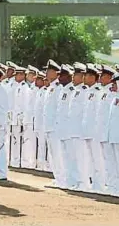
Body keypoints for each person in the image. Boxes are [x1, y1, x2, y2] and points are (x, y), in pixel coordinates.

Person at [94, 65, 119, 195]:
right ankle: (111, 185)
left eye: (102, 76)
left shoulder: (113, 93)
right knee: (107, 160)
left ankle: (117, 186)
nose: (100, 78)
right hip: (103, 132)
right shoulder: (104, 92)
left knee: (115, 161)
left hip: (112, 133)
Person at [81, 64, 105, 193]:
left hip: (95, 130)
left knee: (98, 158)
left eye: (88, 75)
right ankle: (93, 182)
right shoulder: (87, 91)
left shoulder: (98, 92)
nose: (85, 77)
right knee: (90, 158)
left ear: (94, 77)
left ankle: (100, 184)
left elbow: (98, 113)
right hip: (87, 129)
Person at [42, 59, 63, 187]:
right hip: (48, 125)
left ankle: (62, 178)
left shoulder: (59, 88)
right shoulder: (50, 87)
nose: (46, 73)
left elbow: (58, 109)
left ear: (56, 73)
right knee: (52, 153)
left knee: (58, 153)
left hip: (55, 126)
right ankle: (57, 177)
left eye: (49, 71)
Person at [55, 64, 75, 189]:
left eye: (61, 76)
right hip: (62, 128)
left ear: (68, 77)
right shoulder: (63, 90)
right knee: (64, 156)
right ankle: (67, 180)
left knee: (71, 157)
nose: (59, 78)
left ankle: (73, 181)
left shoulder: (72, 91)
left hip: (69, 130)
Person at [108, 72, 119, 197]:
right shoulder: (115, 98)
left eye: (114, 83)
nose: (112, 86)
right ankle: (117, 187)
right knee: (114, 163)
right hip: (113, 136)